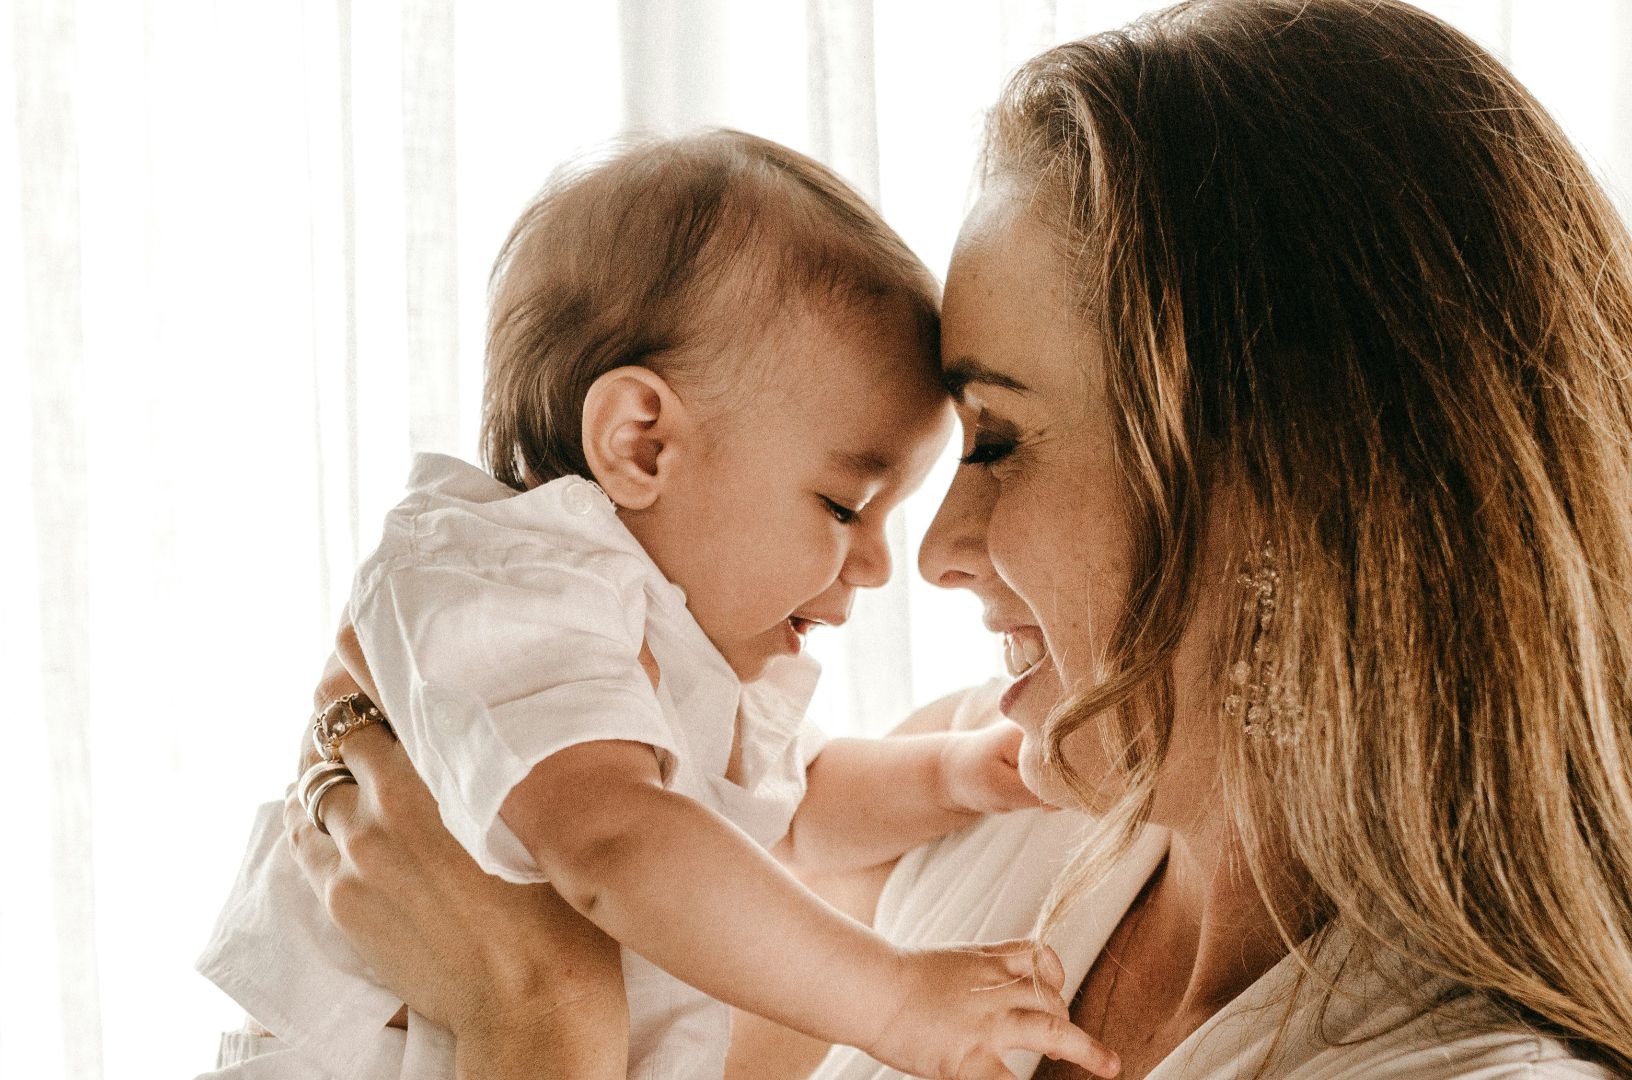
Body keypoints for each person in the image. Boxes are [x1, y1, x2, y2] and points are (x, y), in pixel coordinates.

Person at [276, 1, 1632, 1077]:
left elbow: (583, 967)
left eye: (1000, 441)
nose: (935, 551)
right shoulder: (983, 836)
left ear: (1285, 485)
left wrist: (529, 1019)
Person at [196, 130, 1118, 1080]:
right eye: (845, 506)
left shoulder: (645, 648)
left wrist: (959, 776)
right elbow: (618, 841)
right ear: (641, 445)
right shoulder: (499, 582)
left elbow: (782, 818)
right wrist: (891, 998)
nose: (882, 563)